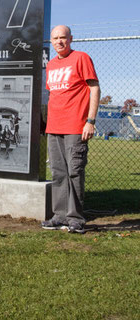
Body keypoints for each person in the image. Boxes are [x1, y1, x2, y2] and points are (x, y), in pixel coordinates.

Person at [42, 25, 100, 234]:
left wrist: (90, 121)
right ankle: (59, 216)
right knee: (58, 173)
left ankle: (75, 219)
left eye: (63, 38)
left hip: (76, 126)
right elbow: (54, 95)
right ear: (51, 41)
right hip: (54, 126)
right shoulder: (51, 66)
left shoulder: (81, 58)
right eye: (56, 38)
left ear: (71, 39)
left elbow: (94, 87)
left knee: (74, 171)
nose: (60, 41)